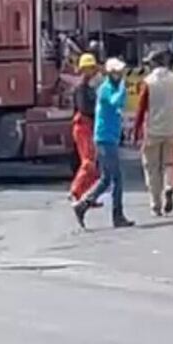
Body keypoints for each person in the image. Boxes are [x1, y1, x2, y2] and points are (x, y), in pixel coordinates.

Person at [73, 58, 135, 229]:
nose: (120, 75)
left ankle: (83, 205)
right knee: (117, 179)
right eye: (117, 73)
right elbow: (117, 102)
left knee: (106, 179)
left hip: (109, 137)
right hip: (105, 138)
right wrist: (123, 86)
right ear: (111, 73)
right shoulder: (106, 89)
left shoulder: (110, 87)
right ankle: (117, 215)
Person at [134, 50, 173, 216]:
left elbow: (141, 110)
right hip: (171, 129)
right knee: (169, 164)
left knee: (152, 168)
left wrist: (136, 132)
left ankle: (156, 204)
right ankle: (170, 186)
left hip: (152, 131)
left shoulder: (148, 83)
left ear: (153, 64)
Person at [69, 53, 100, 201]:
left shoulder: (88, 87)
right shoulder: (81, 88)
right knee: (88, 162)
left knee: (93, 165)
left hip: (87, 126)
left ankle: (86, 195)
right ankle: (76, 191)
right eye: (90, 68)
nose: (93, 71)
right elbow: (84, 108)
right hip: (83, 126)